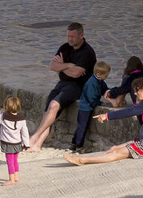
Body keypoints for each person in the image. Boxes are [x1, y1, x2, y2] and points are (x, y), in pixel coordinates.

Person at [25, 23, 96, 152]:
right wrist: (68, 65)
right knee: (48, 112)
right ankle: (37, 145)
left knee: (53, 105)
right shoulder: (65, 47)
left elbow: (77, 74)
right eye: (68, 36)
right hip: (62, 84)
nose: (70, 39)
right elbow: (53, 66)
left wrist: (62, 66)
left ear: (81, 35)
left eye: (73, 36)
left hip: (78, 86)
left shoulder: (87, 52)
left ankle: (34, 137)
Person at [66, 76, 143, 165]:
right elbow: (141, 121)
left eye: (137, 89)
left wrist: (107, 116)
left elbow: (130, 111)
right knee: (114, 148)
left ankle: (82, 160)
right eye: (134, 90)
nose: (135, 93)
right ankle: (83, 158)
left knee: (116, 153)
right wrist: (137, 103)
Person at [71, 61, 113, 152]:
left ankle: (74, 143)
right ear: (98, 74)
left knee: (81, 126)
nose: (106, 77)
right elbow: (91, 98)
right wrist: (99, 103)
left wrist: (109, 92)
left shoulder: (99, 81)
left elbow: (104, 88)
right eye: (105, 75)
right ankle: (78, 145)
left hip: (88, 106)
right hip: (85, 108)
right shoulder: (91, 83)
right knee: (82, 126)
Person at [0, 95, 32, 185]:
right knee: (15, 160)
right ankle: (16, 176)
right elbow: (25, 132)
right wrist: (26, 144)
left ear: (6, 106)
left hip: (8, 143)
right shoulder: (22, 118)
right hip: (17, 143)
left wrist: (2, 110)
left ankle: (11, 179)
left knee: (9, 160)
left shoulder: (3, 116)